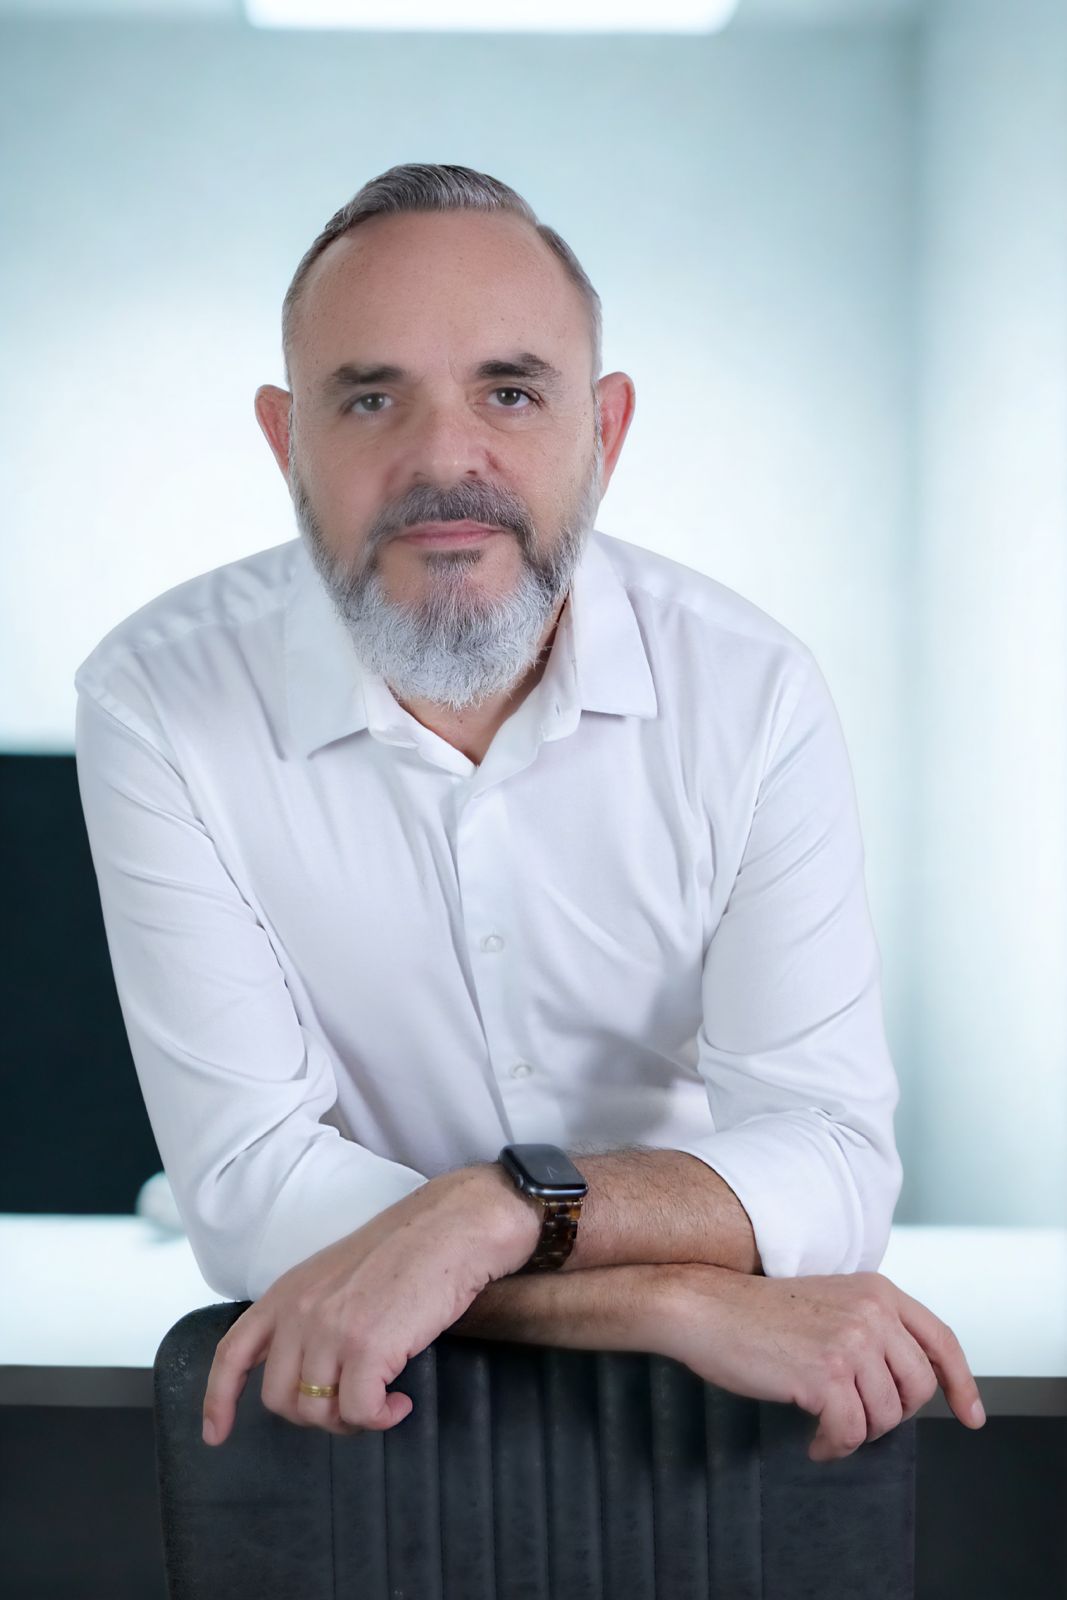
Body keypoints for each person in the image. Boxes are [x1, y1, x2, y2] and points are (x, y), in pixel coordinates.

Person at [73, 161, 984, 1466]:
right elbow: (250, 1200)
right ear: (288, 443)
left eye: (510, 390)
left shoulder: (752, 693)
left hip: (714, 1430)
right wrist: (664, 1294)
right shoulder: (155, 701)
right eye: (371, 395)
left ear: (603, 432)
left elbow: (836, 1165)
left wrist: (492, 1219)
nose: (447, 459)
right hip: (369, 1424)